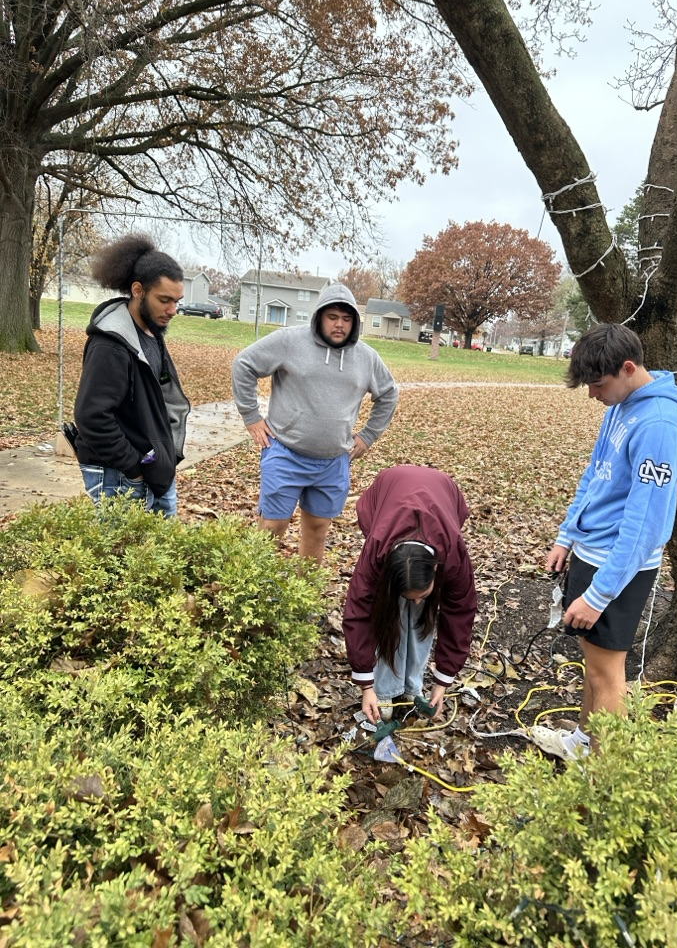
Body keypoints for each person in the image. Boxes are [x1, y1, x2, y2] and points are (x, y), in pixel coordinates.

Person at [540, 322, 677, 760]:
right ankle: (584, 744)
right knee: (593, 662)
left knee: (608, 674)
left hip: (619, 566)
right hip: (591, 550)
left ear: (628, 368)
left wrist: (601, 593)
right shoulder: (620, 406)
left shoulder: (660, 426)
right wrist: (566, 536)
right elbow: (595, 476)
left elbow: (645, 526)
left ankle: (605, 778)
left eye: (598, 384)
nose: (592, 394)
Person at [231, 282, 398, 563]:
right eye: (332, 317)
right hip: (285, 453)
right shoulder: (290, 341)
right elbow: (244, 364)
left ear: (354, 322)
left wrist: (368, 435)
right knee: (272, 529)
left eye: (346, 319)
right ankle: (256, 595)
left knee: (317, 530)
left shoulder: (366, 357)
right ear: (319, 316)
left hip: (333, 462)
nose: (339, 325)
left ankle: (304, 596)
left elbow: (389, 393)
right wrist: (251, 417)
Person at [343, 465, 477, 723]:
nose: (416, 600)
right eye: (410, 594)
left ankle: (411, 685)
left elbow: (460, 614)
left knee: (418, 613)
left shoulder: (453, 555)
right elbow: (359, 612)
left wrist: (443, 681)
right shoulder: (376, 550)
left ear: (437, 570)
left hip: (443, 494)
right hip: (386, 496)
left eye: (423, 593)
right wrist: (366, 686)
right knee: (389, 610)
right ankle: (385, 688)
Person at [73, 234, 190, 517]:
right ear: (138, 290)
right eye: (164, 300)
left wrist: (163, 457)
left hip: (155, 471)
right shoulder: (111, 345)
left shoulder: (151, 333)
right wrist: (134, 468)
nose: (173, 310)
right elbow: (92, 417)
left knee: (160, 555)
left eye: (177, 301)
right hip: (120, 475)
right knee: (124, 557)